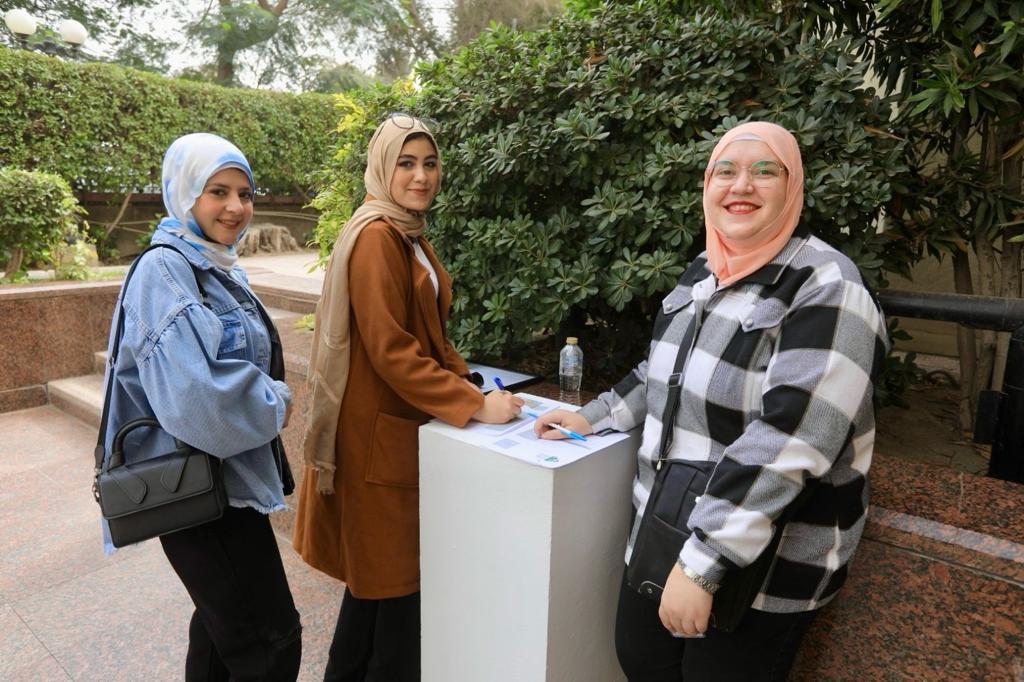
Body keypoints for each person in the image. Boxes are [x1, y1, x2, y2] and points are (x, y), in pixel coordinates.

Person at [535, 121, 889, 681]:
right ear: (707, 185)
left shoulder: (828, 286)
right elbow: (661, 371)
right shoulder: (704, 269)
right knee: (641, 659)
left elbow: (793, 438)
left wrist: (704, 562)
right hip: (667, 525)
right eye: (726, 171)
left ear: (792, 185)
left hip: (763, 562)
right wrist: (591, 416)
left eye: (764, 171)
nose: (741, 185)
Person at [293, 113, 522, 682]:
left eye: (430, 163)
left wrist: (469, 383)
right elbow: (392, 349)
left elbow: (431, 335)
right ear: (382, 167)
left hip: (394, 429)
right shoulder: (378, 236)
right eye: (407, 163)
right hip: (378, 438)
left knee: (378, 590)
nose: (421, 176)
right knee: (395, 594)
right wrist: (474, 405)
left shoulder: (407, 232)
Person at [99, 133, 301, 680]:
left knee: (219, 634)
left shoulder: (208, 264)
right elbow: (196, 400)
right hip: (203, 491)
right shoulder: (166, 272)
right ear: (186, 194)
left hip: (220, 483)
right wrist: (275, 403)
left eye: (244, 193)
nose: (236, 207)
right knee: (272, 642)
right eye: (218, 192)